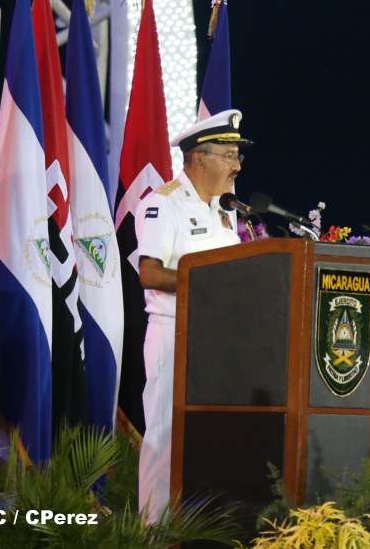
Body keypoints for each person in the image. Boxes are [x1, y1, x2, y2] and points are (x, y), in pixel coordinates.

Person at [135, 109, 251, 522]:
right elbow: (149, 273)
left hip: (219, 339)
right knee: (166, 438)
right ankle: (153, 533)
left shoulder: (224, 209)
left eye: (237, 156)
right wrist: (209, 283)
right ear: (199, 158)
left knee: (211, 438)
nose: (237, 166)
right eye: (229, 155)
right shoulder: (163, 204)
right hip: (176, 335)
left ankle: (200, 529)